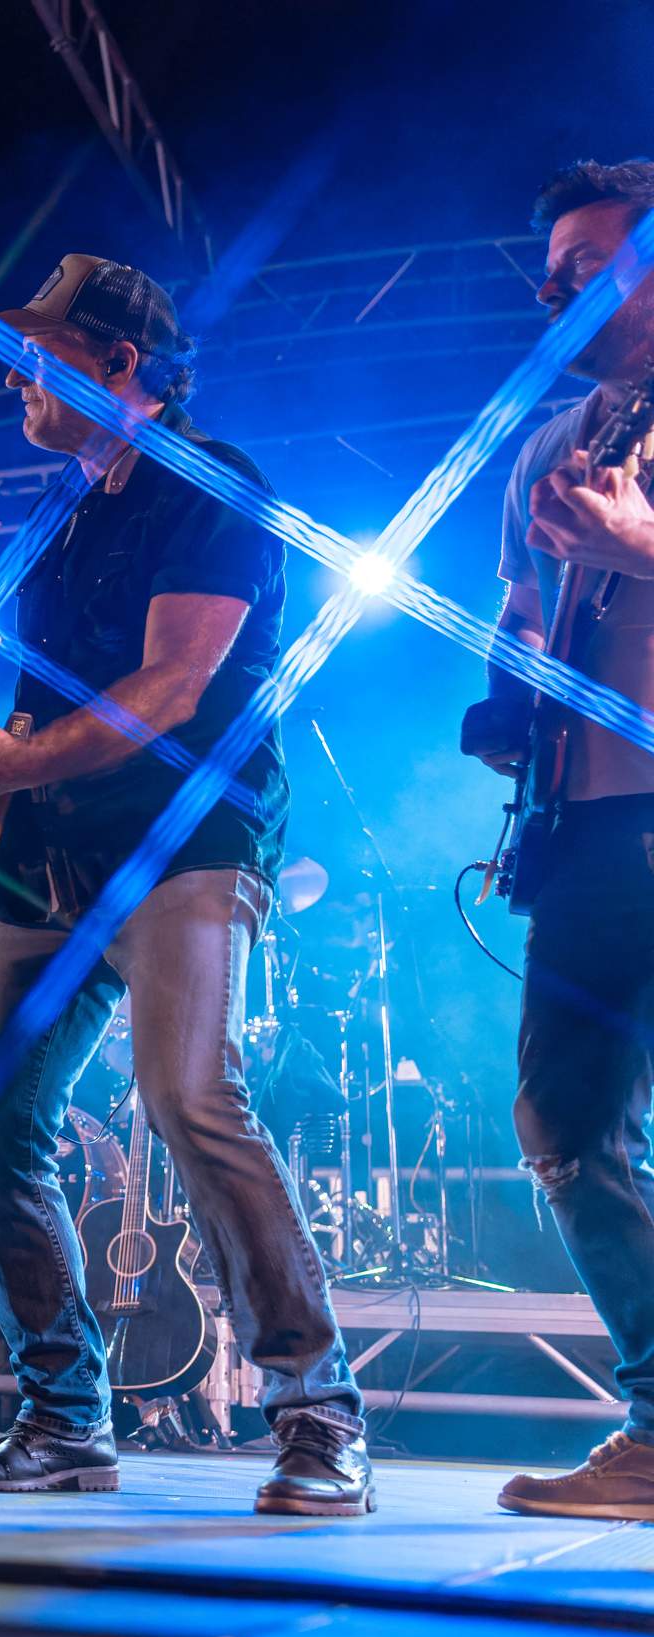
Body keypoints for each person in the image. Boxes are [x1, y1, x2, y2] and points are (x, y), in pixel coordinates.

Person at [0, 254, 369, 1514]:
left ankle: (318, 1412)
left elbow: (172, 688)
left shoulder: (212, 488)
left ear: (119, 368)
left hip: (180, 841)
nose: (17, 373)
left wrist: (14, 758)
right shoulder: (67, 510)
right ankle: (65, 1419)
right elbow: (37, 707)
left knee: (183, 1094)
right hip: (49, 855)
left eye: (44, 349)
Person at [462, 159, 654, 1520]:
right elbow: (516, 613)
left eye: (588, 260)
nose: (554, 290)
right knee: (564, 1120)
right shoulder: (551, 439)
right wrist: (512, 670)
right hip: (586, 825)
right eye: (551, 270)